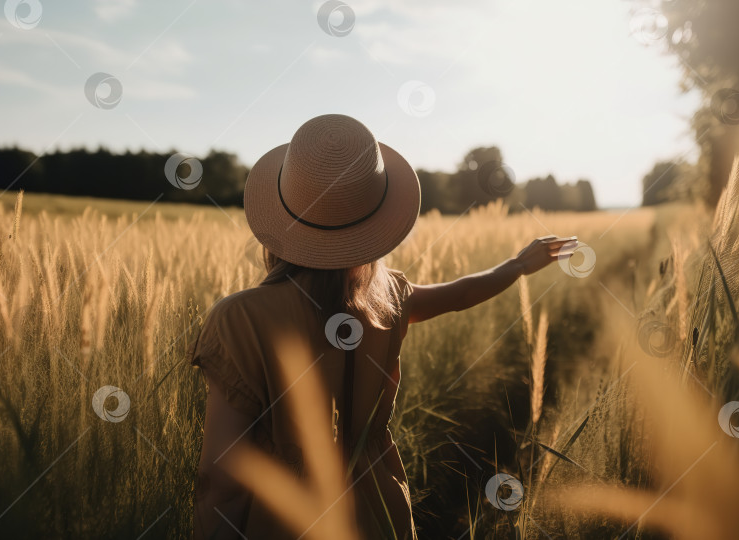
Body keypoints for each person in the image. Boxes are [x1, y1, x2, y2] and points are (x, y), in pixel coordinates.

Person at [190, 114, 577, 539]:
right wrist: (519, 265)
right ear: (375, 224)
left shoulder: (239, 319)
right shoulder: (387, 296)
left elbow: (222, 480)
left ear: (283, 217)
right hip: (379, 506)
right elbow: (460, 295)